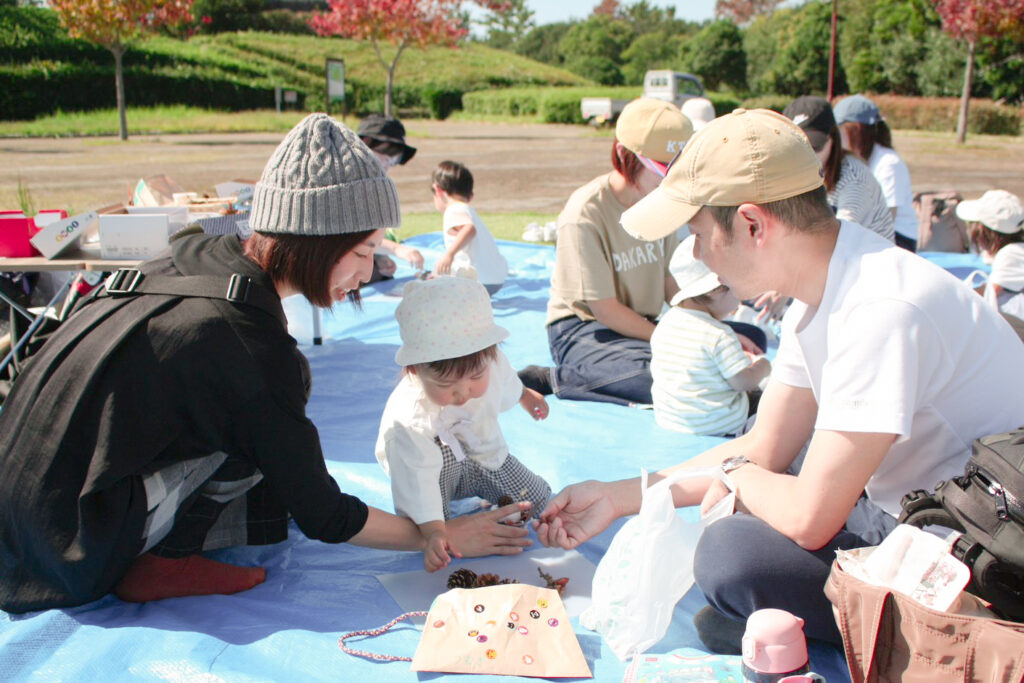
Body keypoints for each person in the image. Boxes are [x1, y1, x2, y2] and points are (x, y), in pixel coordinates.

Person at [533, 108, 1024, 651]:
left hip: (983, 555)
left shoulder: (881, 309)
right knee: (767, 478)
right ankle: (788, 611)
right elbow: (765, 445)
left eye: (696, 234)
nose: (693, 255)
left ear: (752, 225)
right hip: (924, 507)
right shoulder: (831, 282)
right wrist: (619, 496)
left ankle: (826, 621)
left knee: (730, 555)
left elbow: (809, 516)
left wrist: (740, 476)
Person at [0, 114, 531, 614]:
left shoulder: (196, 251)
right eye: (364, 251)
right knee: (272, 423)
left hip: (21, 500)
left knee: (258, 431)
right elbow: (324, 513)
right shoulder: (248, 343)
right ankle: (161, 560)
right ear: (318, 239)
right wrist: (436, 534)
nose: (368, 274)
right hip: (68, 543)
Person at [517, 98, 692, 405]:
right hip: (584, 329)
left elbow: (669, 284)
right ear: (624, 156)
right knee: (660, 375)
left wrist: (708, 329)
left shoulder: (658, 203)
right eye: (663, 169)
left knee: (738, 342)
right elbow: (605, 310)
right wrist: (676, 340)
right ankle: (552, 377)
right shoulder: (585, 213)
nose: (670, 181)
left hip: (640, 325)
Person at [375, 277, 551, 571]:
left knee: (538, 502)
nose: (463, 392)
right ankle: (439, 519)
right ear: (415, 369)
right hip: (431, 474)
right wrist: (434, 534)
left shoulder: (491, 364)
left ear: (490, 355)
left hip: (483, 455)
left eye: (475, 377)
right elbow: (418, 479)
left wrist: (525, 395)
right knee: (432, 521)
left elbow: (506, 379)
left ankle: (486, 499)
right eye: (446, 383)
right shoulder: (410, 419)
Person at [650, 236, 771, 436]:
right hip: (718, 424)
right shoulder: (719, 335)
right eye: (738, 289)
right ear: (716, 290)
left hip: (672, 420)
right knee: (772, 399)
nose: (741, 300)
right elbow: (743, 382)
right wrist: (763, 366)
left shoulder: (666, 322)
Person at [783, 95, 894, 242]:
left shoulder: (854, 181)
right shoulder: (800, 174)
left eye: (815, 146)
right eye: (799, 149)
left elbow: (838, 241)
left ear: (833, 139)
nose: (807, 158)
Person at [834, 94, 918, 251]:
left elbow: (887, 219)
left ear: (855, 129)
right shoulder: (856, 162)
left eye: (839, 130)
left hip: (898, 240)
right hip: (871, 233)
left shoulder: (889, 163)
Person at [357, 114, 425, 279]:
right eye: (385, 157)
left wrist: (378, 257)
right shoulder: (344, 183)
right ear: (365, 143)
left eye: (394, 160)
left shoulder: (372, 185)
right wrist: (396, 249)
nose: (388, 165)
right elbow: (350, 237)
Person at [431, 160, 508, 294]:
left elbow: (469, 229)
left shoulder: (453, 209)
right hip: (496, 279)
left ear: (438, 190)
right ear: (471, 196)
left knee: (432, 287)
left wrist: (449, 255)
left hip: (476, 281)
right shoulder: (467, 210)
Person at [958, 189, 1024, 318]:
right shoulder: (1017, 249)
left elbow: (990, 294)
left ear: (983, 231)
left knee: (995, 304)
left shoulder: (1010, 253)